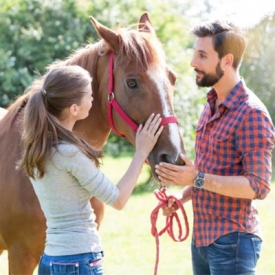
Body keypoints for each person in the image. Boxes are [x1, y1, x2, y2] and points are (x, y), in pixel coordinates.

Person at [155, 21, 275, 275]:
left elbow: (259, 186)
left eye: (202, 55)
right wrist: (182, 196)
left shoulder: (251, 114)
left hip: (233, 242)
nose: (192, 62)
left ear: (226, 61)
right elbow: (207, 172)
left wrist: (197, 179)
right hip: (203, 240)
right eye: (194, 53)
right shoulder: (210, 105)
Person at [19, 65, 163, 275]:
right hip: (78, 260)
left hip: (51, 260)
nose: (93, 100)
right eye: (89, 95)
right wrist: (141, 152)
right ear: (74, 108)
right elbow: (118, 199)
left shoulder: (38, 148)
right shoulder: (69, 154)